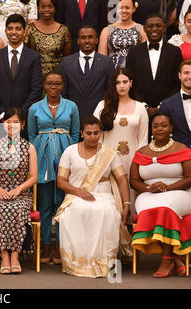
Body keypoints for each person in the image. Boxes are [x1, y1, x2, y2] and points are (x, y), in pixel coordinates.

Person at [54, 115, 131, 278]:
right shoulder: (70, 151)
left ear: (100, 133)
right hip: (76, 195)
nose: (93, 137)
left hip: (103, 195)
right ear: (82, 133)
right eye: (89, 133)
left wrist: (126, 204)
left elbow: (122, 179)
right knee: (75, 212)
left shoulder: (109, 153)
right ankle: (79, 264)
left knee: (105, 212)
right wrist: (78, 192)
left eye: (96, 133)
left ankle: (104, 263)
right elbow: (60, 181)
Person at [27, 70, 80, 264]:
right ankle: (46, 244)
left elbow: (75, 134)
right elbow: (32, 136)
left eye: (57, 84)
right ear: (44, 85)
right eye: (49, 84)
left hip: (66, 155)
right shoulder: (34, 108)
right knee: (45, 203)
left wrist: (72, 155)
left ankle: (60, 244)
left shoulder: (72, 106)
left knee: (62, 203)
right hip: (42, 158)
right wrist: (38, 154)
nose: (53, 87)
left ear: (63, 85)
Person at [130, 113, 191, 278]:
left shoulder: (182, 148)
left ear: (171, 128)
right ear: (151, 129)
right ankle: (176, 258)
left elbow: (189, 178)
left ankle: (166, 260)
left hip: (180, 193)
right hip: (148, 195)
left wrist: (169, 187)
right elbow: (134, 181)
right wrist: (148, 188)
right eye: (155, 126)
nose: (159, 129)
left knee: (165, 208)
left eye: (163, 125)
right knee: (153, 209)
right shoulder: (141, 152)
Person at [0, 107, 38, 274]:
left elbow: (34, 176)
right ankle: (4, 256)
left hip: (22, 194)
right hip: (0, 193)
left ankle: (15, 256)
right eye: (8, 122)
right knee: (2, 209)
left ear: (23, 124)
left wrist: (19, 189)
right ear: (2, 124)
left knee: (17, 209)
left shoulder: (29, 147)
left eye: (16, 122)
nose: (11, 126)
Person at [93, 68, 149, 220]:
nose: (122, 86)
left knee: (130, 195)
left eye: (125, 82)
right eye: (118, 83)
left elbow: (143, 140)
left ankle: (131, 237)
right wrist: (99, 160)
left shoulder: (140, 108)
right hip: (107, 160)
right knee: (109, 199)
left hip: (132, 160)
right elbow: (96, 136)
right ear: (113, 85)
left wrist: (139, 164)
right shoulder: (102, 106)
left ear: (131, 83)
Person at [0, 13, 43, 122]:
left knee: (23, 140)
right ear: (6, 31)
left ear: (24, 32)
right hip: (2, 118)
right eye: (10, 28)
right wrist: (1, 113)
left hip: (25, 118)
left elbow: (36, 89)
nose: (14, 32)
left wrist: (21, 114)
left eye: (18, 29)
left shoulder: (34, 57)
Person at [125, 14, 182, 119]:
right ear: (144, 29)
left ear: (164, 28)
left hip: (168, 109)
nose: (154, 29)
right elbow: (130, 81)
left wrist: (162, 105)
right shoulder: (134, 52)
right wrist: (144, 106)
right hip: (139, 109)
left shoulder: (175, 52)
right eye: (150, 26)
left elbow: (177, 83)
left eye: (158, 26)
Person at [59, 26, 114, 125]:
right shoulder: (66, 63)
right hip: (73, 118)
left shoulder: (107, 62)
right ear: (78, 41)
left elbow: (110, 91)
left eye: (90, 37)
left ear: (97, 40)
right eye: (83, 37)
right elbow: (62, 93)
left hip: (100, 118)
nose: (87, 41)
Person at [24, 0, 71, 77]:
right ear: (38, 8)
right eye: (43, 7)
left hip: (57, 77)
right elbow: (26, 55)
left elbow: (66, 58)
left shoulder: (64, 30)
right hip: (35, 75)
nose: (46, 10)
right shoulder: (29, 29)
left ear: (55, 9)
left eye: (50, 7)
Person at [98, 0, 147, 69]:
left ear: (134, 9)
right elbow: (101, 59)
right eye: (120, 8)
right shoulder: (106, 31)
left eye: (127, 8)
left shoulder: (142, 30)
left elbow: (145, 57)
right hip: (112, 73)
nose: (123, 11)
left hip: (135, 73)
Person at [158, 60, 191, 148]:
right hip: (177, 156)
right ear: (179, 75)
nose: (190, 76)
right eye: (186, 73)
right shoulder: (167, 105)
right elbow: (160, 134)